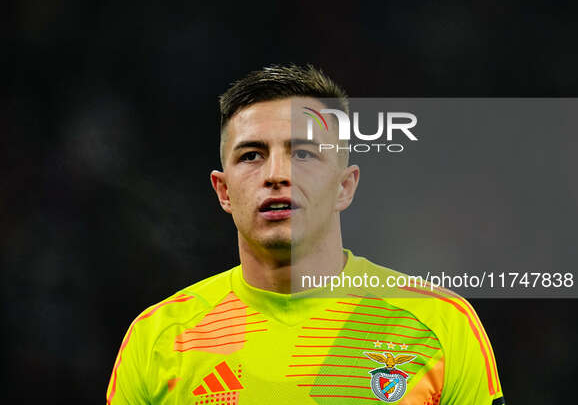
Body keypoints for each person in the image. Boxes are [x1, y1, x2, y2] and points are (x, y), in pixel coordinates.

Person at [106, 64, 505, 405]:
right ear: (223, 191)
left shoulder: (441, 324)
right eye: (251, 155)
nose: (278, 174)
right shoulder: (158, 338)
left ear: (344, 187)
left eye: (303, 154)